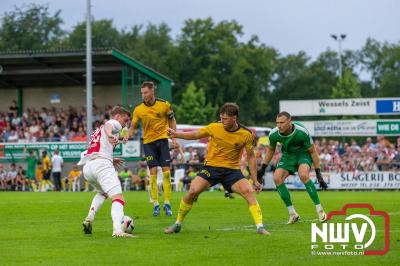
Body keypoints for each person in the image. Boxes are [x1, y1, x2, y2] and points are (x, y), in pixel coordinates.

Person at [164, 103, 269, 235]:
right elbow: (196, 134)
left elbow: (251, 157)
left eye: (225, 119)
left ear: (234, 118)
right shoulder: (214, 127)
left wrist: (255, 179)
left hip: (232, 171)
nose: (222, 121)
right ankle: (177, 224)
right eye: (221, 118)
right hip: (211, 168)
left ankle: (260, 227)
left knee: (248, 191)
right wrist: (176, 134)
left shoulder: (246, 134)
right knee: (192, 191)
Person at [257, 111, 328, 224]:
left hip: (303, 154)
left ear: (289, 122)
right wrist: (262, 169)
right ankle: (292, 214)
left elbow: (313, 151)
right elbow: (271, 150)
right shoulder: (274, 134)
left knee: (303, 175)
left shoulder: (302, 132)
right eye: (277, 123)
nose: (279, 125)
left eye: (282, 122)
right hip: (288, 156)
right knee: (277, 178)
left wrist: (319, 174)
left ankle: (320, 210)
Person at [123, 81, 177, 217]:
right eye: (142, 93)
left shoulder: (164, 105)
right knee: (152, 173)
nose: (143, 95)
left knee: (166, 172)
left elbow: (172, 120)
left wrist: (174, 136)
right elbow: (133, 127)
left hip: (163, 141)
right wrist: (127, 136)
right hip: (148, 144)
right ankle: (156, 204)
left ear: (152, 91)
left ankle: (167, 202)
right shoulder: (138, 109)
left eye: (146, 92)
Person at [79, 106, 133, 238]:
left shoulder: (97, 131)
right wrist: (110, 134)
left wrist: (111, 158)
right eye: (125, 120)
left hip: (89, 167)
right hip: (101, 165)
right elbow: (109, 125)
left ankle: (89, 218)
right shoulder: (112, 124)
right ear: (117, 117)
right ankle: (117, 231)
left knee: (102, 192)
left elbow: (101, 146)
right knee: (118, 198)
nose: (125, 124)